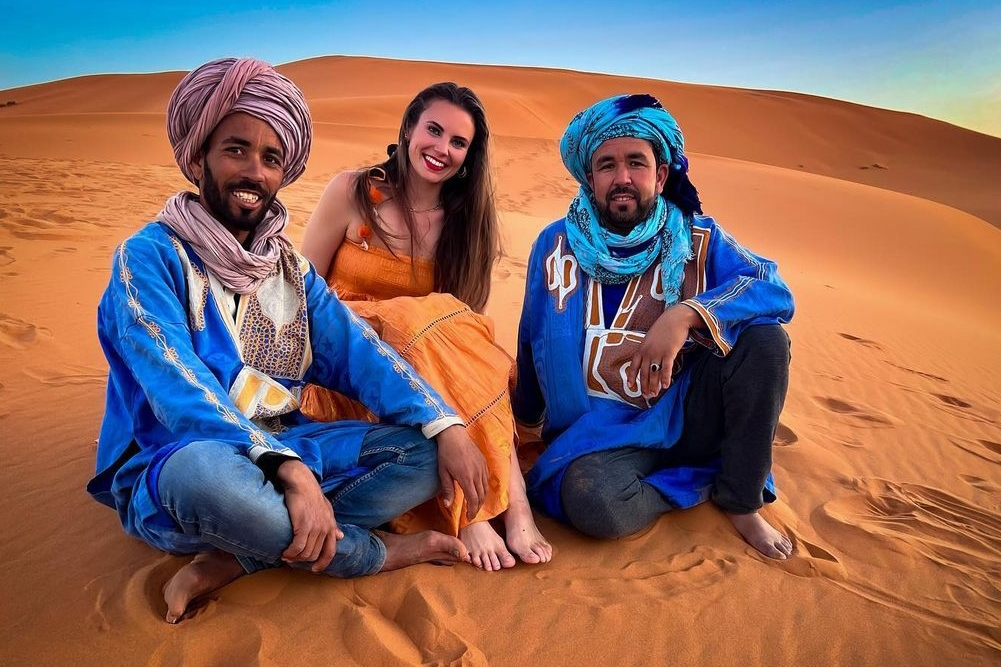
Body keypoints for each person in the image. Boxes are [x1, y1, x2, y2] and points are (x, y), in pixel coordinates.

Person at [86, 58, 491, 624]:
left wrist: (443, 423)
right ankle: (367, 554)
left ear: (284, 172)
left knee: (426, 456)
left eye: (271, 157)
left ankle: (242, 556)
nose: (253, 171)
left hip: (292, 448)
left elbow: (358, 354)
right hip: (180, 461)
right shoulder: (147, 258)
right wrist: (288, 471)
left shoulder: (288, 271)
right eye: (235, 150)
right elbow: (178, 387)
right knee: (204, 480)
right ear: (199, 155)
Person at [513, 93, 795, 559]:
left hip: (685, 413)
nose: (622, 178)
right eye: (606, 164)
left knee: (766, 340)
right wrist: (525, 425)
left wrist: (685, 314)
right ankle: (705, 479)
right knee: (593, 501)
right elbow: (531, 336)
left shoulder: (700, 237)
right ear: (589, 176)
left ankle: (741, 501)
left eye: (636, 163)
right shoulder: (554, 243)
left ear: (661, 175)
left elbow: (773, 288)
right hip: (598, 434)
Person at [299, 82, 551, 571]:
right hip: (344, 365)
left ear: (469, 156)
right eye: (434, 130)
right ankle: (471, 511)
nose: (443, 149)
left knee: (455, 338)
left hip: (424, 369)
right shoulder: (352, 191)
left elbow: (460, 322)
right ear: (409, 128)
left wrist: (408, 328)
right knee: (414, 323)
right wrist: (386, 323)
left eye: (459, 142)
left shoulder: (466, 221)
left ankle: (514, 502)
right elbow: (303, 294)